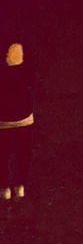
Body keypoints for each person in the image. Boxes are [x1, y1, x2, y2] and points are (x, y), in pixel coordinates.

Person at [0, 43, 34, 201]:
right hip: (24, 119)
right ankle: (20, 185)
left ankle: (4, 188)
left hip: (3, 121)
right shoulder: (27, 71)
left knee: (3, 155)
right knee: (23, 154)